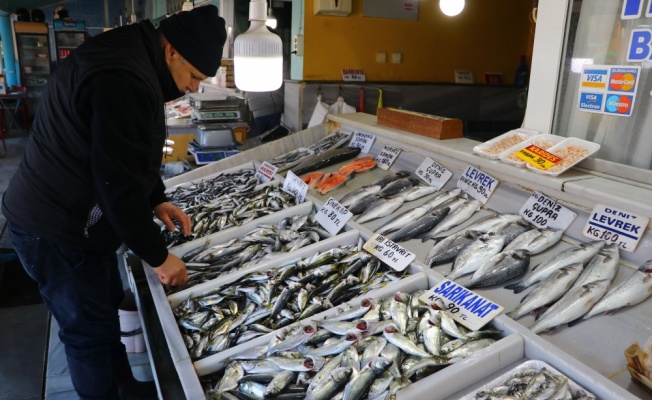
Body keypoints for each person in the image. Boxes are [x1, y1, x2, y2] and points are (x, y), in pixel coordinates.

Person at [1, 5, 226, 400]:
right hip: (57, 228)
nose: (194, 88)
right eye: (194, 76)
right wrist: (158, 257)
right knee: (86, 332)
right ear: (171, 50)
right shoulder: (124, 77)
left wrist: (156, 198)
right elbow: (116, 184)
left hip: (72, 220)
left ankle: (121, 381)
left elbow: (129, 149)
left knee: (103, 308)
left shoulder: (134, 54)